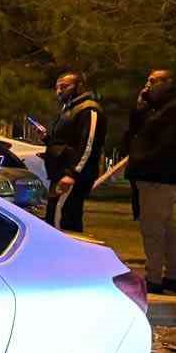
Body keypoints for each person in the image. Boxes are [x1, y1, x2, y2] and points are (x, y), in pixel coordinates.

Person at [123, 69, 176, 295]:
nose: (147, 85)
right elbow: (134, 133)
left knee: (153, 229)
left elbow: (166, 145)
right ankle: (174, 276)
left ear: (168, 83)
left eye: (153, 81)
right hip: (152, 177)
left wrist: (140, 160)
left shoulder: (175, 109)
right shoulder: (155, 109)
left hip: (158, 178)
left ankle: (154, 278)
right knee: (165, 229)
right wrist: (139, 109)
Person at [43, 71, 106, 234]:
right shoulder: (69, 109)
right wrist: (48, 139)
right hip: (61, 173)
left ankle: (69, 256)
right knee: (55, 217)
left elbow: (88, 145)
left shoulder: (89, 109)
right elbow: (65, 142)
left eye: (64, 87)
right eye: (57, 88)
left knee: (64, 220)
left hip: (72, 176)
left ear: (79, 86)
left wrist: (72, 173)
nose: (59, 91)